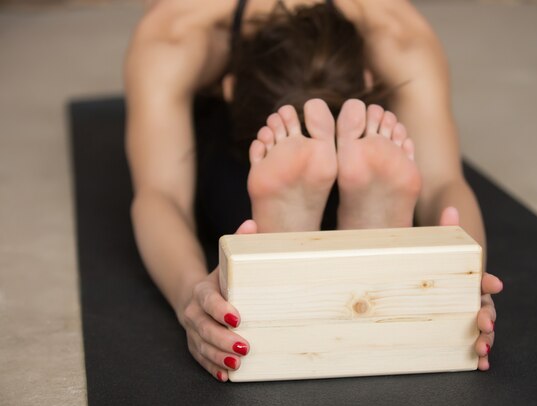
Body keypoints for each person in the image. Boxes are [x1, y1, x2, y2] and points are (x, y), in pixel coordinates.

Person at [125, 0, 503, 383]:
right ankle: (368, 233)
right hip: (352, 138)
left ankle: (283, 240)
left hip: (269, 164)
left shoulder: (172, 35)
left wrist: (192, 290)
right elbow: (443, 182)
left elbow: (160, 195)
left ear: (228, 85)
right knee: (350, 154)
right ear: (370, 79)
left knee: (234, 204)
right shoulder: (400, 35)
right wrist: (466, 267)